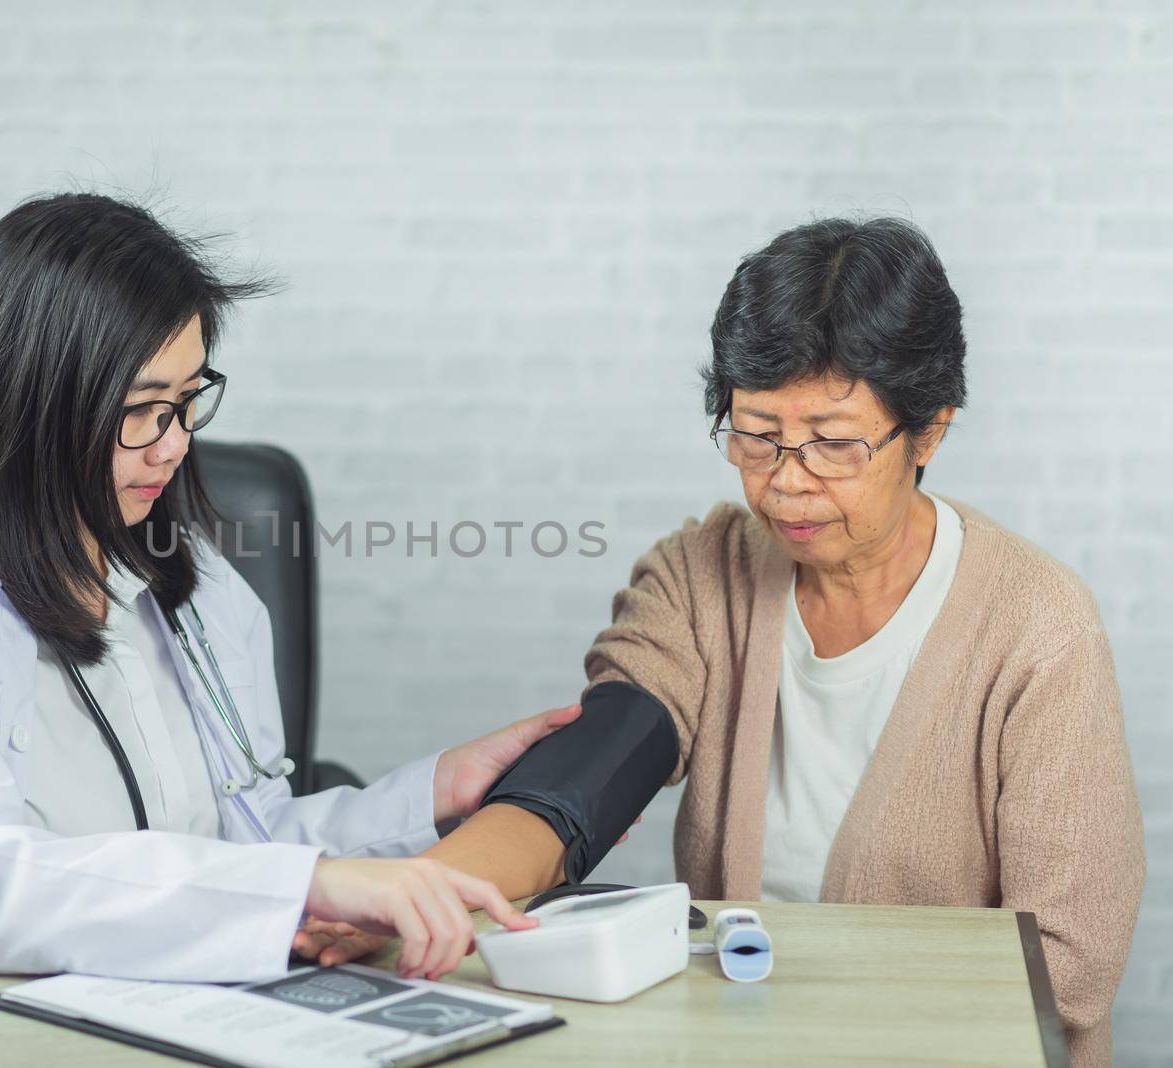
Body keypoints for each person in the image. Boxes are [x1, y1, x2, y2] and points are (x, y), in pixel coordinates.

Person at [297, 218, 1145, 1068]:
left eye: (833, 444)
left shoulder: (1037, 629)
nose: (785, 479)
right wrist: (423, 894)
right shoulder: (701, 574)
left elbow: (1064, 972)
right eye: (755, 434)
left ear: (929, 431)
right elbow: (592, 770)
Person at [0, 192, 583, 1065]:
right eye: (141, 407)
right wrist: (307, 887)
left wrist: (436, 793)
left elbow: (245, 850)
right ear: (32, 404)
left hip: (190, 1025)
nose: (171, 446)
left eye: (187, 399)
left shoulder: (199, 590)